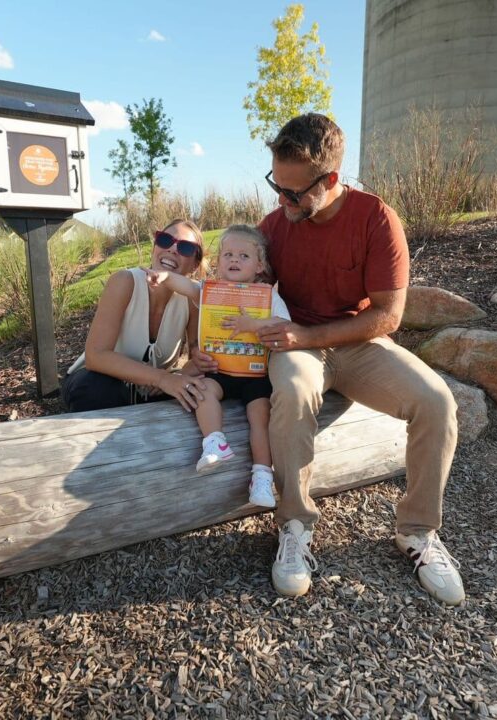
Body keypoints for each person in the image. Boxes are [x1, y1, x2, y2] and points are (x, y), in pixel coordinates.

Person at [195, 114, 465, 605]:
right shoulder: (273, 228)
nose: (281, 200)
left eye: (293, 193)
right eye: (276, 186)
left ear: (331, 181)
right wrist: (202, 347)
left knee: (438, 401)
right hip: (293, 346)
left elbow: (388, 316)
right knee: (295, 390)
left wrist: (309, 334)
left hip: (359, 342)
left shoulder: (376, 219)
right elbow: (233, 290)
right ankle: (295, 526)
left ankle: (419, 532)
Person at [146, 225, 290, 509]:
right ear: (219, 261)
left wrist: (253, 325)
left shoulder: (266, 295)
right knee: (202, 391)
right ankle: (215, 442)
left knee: (260, 417)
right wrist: (165, 277)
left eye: (243, 256)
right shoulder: (212, 291)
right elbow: (187, 287)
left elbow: (283, 325)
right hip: (218, 370)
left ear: (259, 265)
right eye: (228, 254)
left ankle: (261, 475)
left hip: (255, 375)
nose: (234, 260)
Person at [60, 219, 209, 413]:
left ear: (195, 265)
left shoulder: (191, 298)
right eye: (165, 240)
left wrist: (179, 377)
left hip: (150, 390)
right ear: (155, 247)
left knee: (200, 389)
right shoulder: (124, 281)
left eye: (185, 247)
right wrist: (161, 378)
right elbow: (95, 357)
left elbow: (197, 358)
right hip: (98, 381)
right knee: (98, 389)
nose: (172, 249)